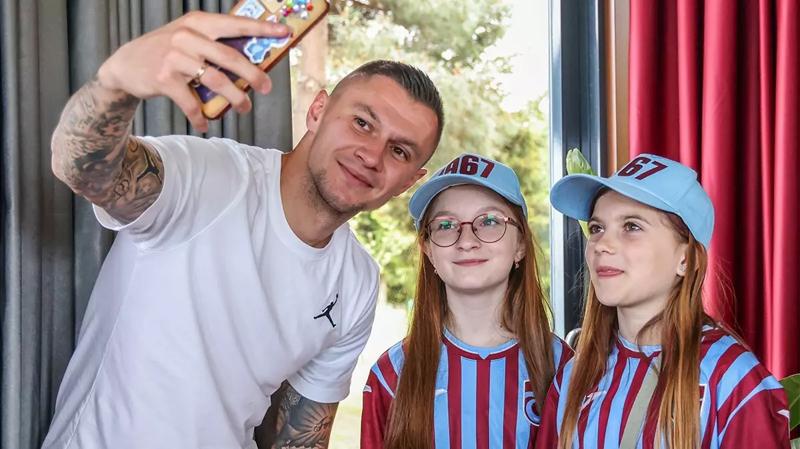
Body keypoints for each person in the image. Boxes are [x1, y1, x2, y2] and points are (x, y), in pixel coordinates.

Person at [43, 10, 444, 449]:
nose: (371, 155)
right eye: (362, 123)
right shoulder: (210, 175)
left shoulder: (357, 282)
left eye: (399, 151)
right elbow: (82, 169)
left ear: (409, 181)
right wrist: (116, 83)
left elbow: (299, 439)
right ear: (318, 111)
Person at [536, 154, 790, 449]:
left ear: (686, 259)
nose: (602, 245)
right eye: (596, 228)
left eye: (631, 226)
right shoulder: (572, 378)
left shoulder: (732, 380)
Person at [361, 153, 573, 449]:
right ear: (428, 250)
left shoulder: (564, 367)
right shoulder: (391, 374)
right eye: (446, 225)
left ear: (521, 245)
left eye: (489, 221)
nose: (467, 241)